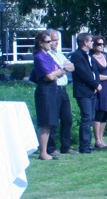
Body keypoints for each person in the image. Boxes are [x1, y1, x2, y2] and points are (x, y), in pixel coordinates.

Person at [31, 31, 66, 161]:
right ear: (40, 43)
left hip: (51, 89)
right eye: (48, 41)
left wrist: (55, 73)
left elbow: (62, 71)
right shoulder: (39, 57)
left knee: (50, 121)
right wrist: (55, 73)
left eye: (51, 41)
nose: (51, 43)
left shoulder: (48, 56)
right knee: (45, 122)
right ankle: (43, 152)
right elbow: (50, 76)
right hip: (44, 91)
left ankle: (45, 151)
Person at [69, 32, 101, 154]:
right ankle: (84, 146)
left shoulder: (89, 55)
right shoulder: (77, 56)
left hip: (92, 90)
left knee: (91, 118)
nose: (93, 42)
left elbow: (94, 71)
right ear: (85, 42)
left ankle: (88, 143)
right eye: (91, 40)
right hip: (83, 91)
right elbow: (83, 74)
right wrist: (95, 84)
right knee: (86, 117)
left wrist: (97, 83)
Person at [47, 30, 75, 155]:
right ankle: (50, 148)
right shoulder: (47, 55)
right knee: (53, 120)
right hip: (54, 89)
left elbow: (72, 67)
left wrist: (62, 69)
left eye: (57, 39)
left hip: (63, 89)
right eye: (53, 40)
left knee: (67, 119)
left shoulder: (59, 54)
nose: (56, 42)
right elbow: (53, 72)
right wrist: (64, 68)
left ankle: (66, 146)